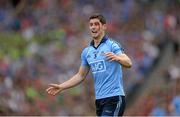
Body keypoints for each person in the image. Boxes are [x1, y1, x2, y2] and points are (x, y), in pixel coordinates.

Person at [46, 13, 132, 116]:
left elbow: (128, 62)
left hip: (114, 98)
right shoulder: (87, 52)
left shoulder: (112, 45)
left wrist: (117, 58)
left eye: (96, 24)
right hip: (99, 100)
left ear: (104, 27)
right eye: (91, 24)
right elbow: (80, 75)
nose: (93, 27)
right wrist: (61, 86)